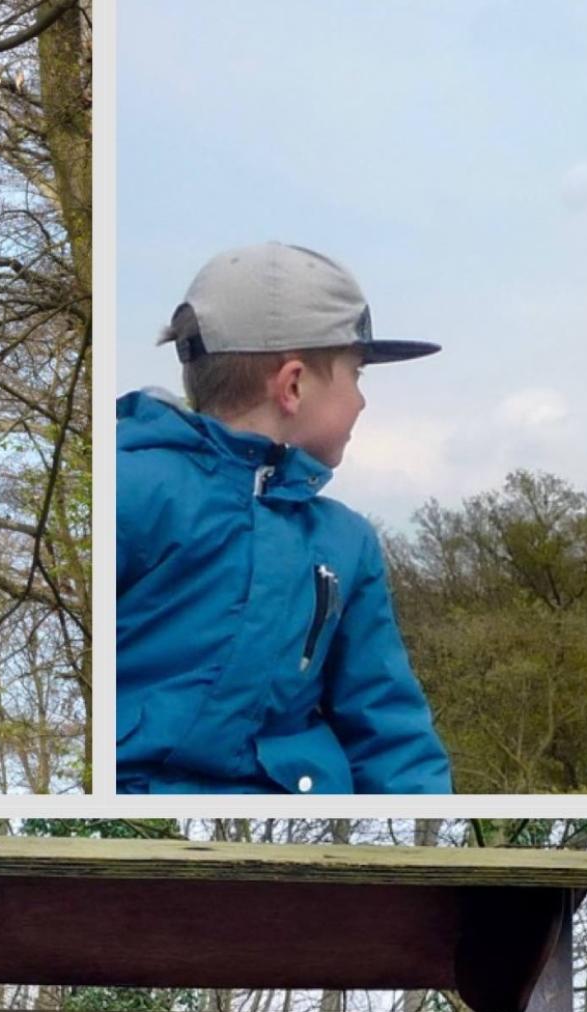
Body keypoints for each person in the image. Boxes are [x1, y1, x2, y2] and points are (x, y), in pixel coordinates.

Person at [116, 242, 452, 794]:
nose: (362, 401)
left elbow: (389, 730)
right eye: (356, 374)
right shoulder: (131, 491)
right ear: (293, 385)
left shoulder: (346, 543)